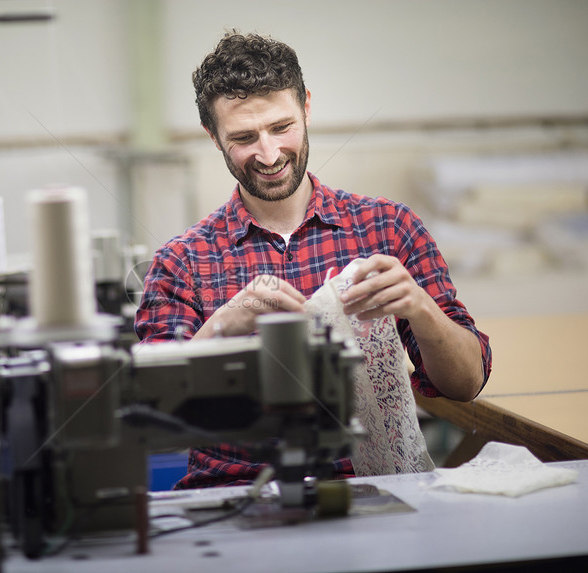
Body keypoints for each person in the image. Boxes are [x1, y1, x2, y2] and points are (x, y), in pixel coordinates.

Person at [135, 31, 491, 488]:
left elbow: (465, 384)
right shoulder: (183, 260)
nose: (268, 154)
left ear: (306, 107)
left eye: (281, 128)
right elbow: (149, 418)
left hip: (371, 489)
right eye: (244, 137)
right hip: (234, 501)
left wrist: (419, 307)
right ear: (213, 135)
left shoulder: (388, 228)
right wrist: (220, 327)